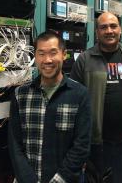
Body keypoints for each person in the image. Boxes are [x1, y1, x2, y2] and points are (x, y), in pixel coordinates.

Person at [70, 12, 122, 183]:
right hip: (94, 144)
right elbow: (72, 101)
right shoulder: (85, 59)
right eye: (103, 27)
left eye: (113, 26)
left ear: (120, 30)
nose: (109, 31)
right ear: (96, 32)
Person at [8, 31, 91, 183]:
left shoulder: (80, 95)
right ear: (35, 56)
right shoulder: (20, 94)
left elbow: (81, 146)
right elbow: (15, 145)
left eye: (53, 53)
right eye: (41, 54)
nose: (47, 60)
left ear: (64, 54)